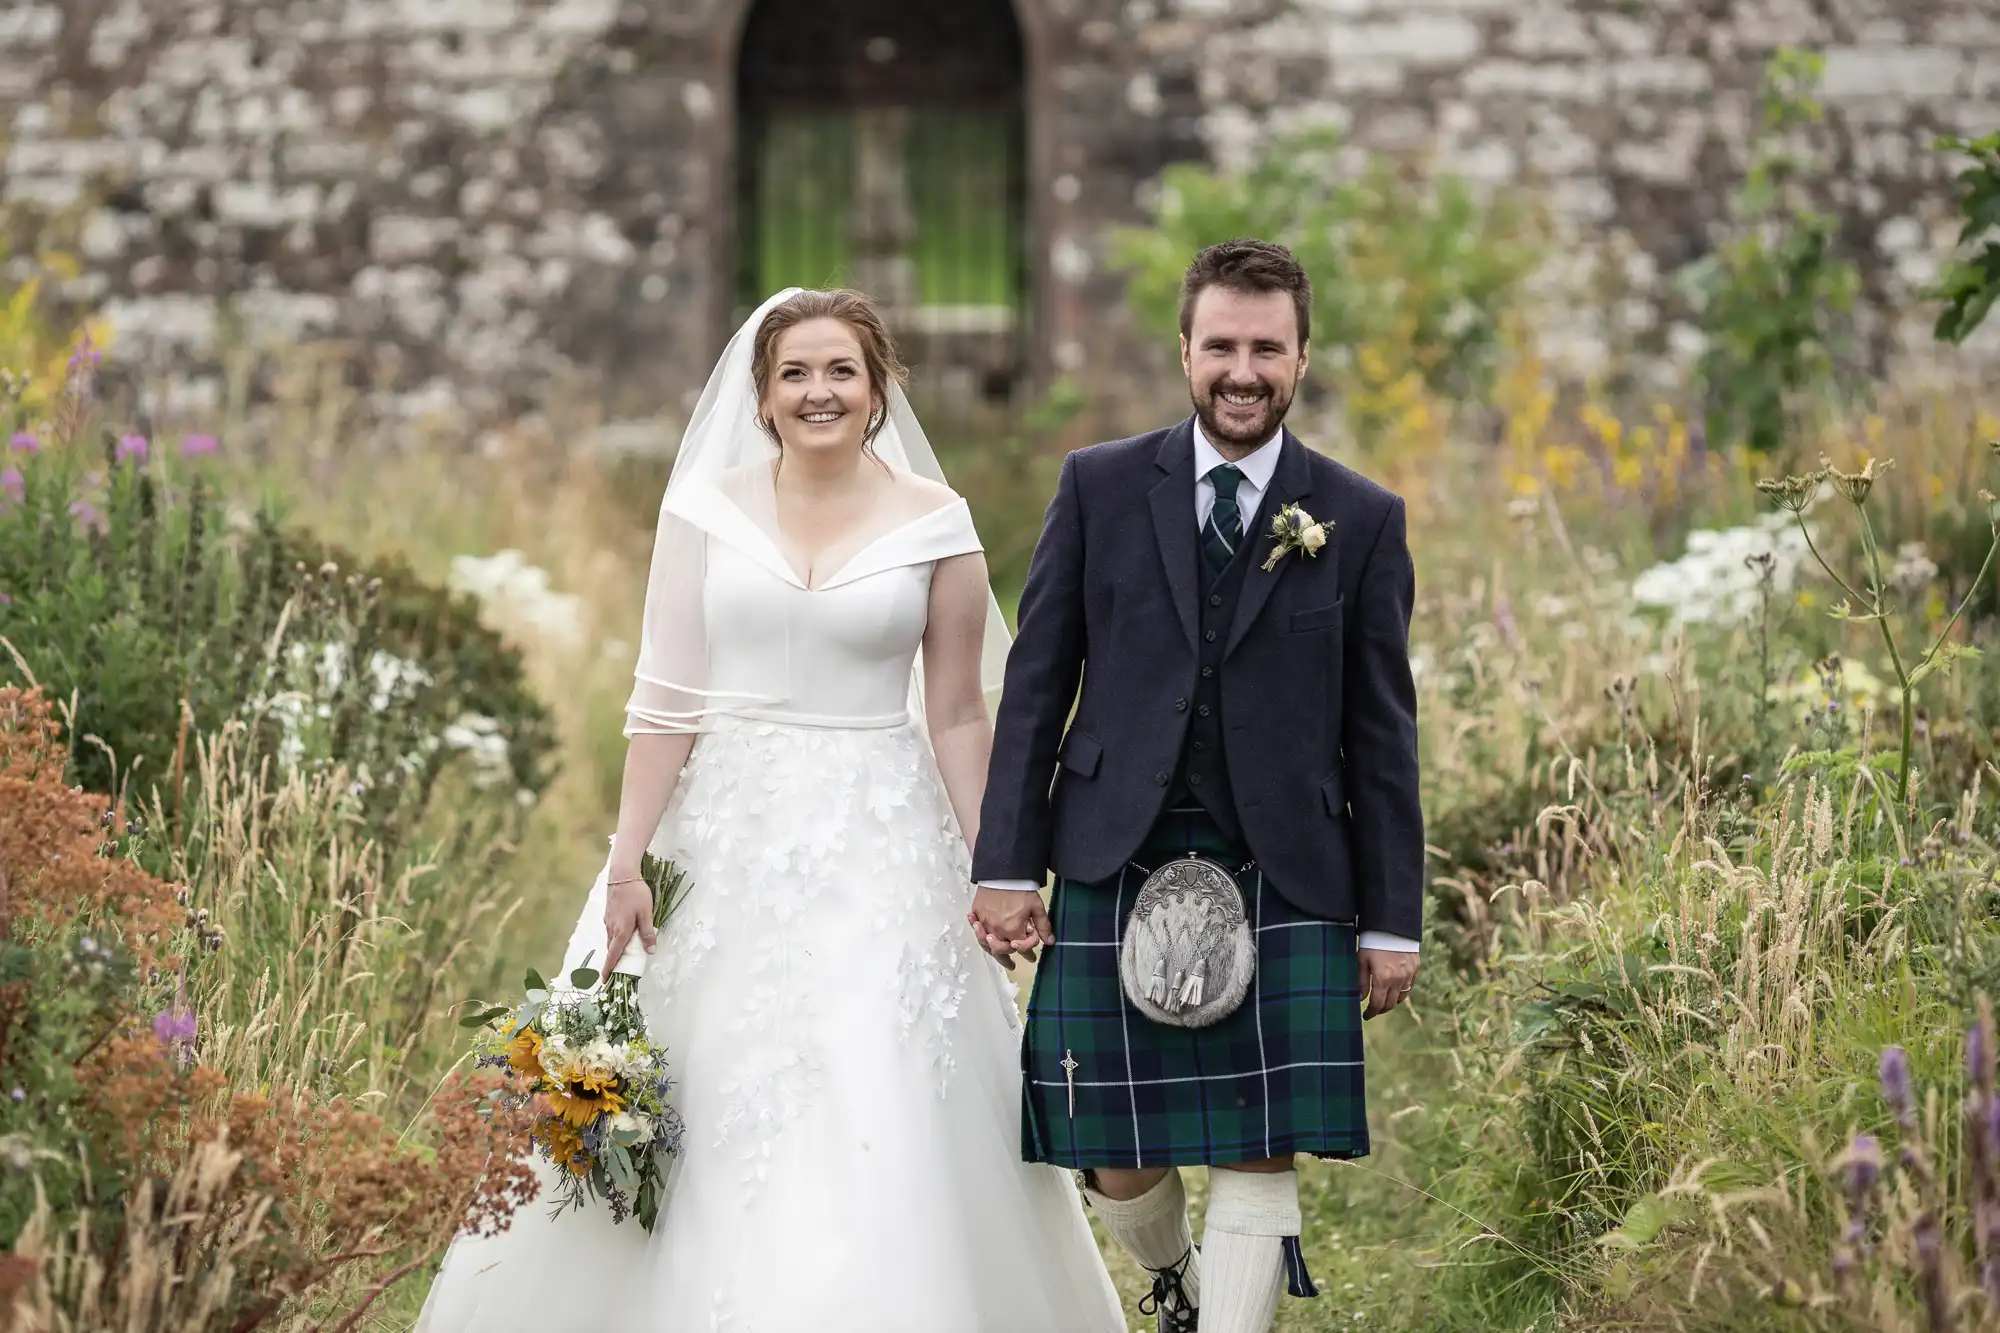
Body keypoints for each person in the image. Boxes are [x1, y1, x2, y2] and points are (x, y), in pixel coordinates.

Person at [417, 288, 1125, 1333]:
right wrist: (625, 863)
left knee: (877, 1091)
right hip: (717, 843)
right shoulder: (706, 511)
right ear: (761, 394)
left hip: (880, 844)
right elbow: (665, 698)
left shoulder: (940, 524)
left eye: (840, 371)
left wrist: (998, 868)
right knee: (699, 1090)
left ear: (878, 389)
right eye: (794, 373)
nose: (817, 392)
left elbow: (959, 715)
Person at [970, 238, 1426, 1333]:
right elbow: (1036, 685)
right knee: (1107, 1144)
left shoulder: (1357, 518)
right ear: (1183, 351)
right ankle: (1173, 1283)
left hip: (1287, 863)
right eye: (1219, 344)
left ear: (1301, 359)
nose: (1241, 369)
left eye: (1265, 348)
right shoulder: (1099, 485)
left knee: (1257, 1142)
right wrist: (1002, 863)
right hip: (1108, 844)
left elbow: (1382, 732)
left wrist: (1391, 921)